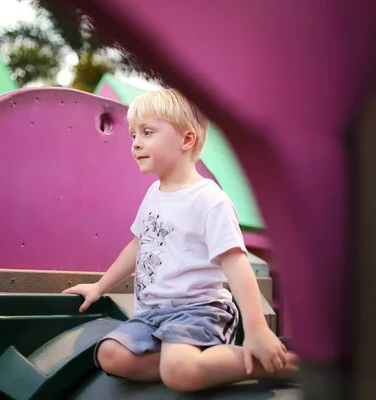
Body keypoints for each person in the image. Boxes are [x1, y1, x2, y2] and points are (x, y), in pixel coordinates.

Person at [62, 88, 298, 392]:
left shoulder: (209, 199)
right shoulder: (153, 195)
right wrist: (99, 286)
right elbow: (137, 245)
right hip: (152, 314)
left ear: (186, 140)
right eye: (133, 134)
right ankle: (188, 364)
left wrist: (256, 329)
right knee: (110, 355)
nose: (135, 143)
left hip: (199, 310)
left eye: (147, 132)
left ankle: (288, 364)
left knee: (179, 374)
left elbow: (236, 263)